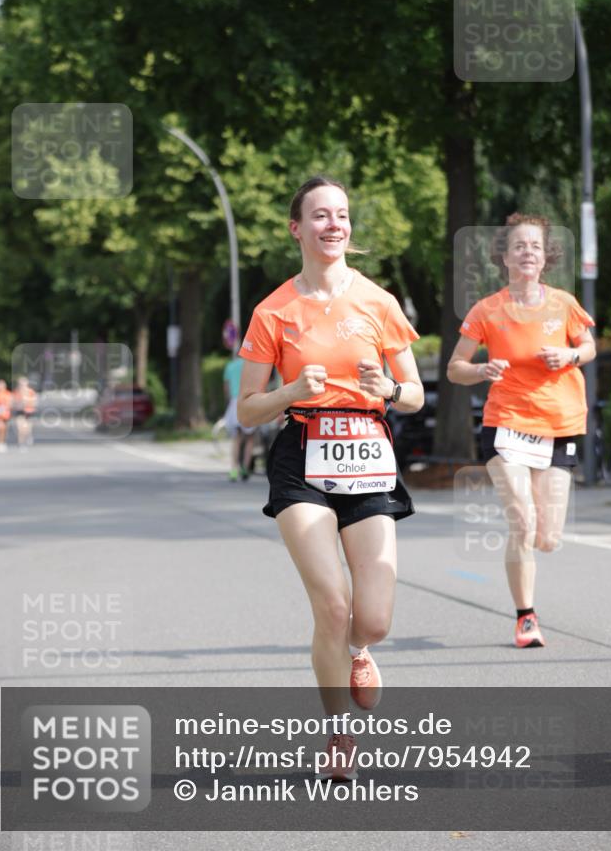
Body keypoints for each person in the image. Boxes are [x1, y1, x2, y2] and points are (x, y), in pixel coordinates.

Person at [238, 175, 424, 778]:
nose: (333, 224)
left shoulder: (378, 301)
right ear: (297, 228)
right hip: (302, 455)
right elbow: (247, 409)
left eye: (341, 214)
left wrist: (388, 389)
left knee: (372, 619)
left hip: (368, 453)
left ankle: (360, 650)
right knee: (331, 604)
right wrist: (291, 390)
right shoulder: (273, 310)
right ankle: (339, 733)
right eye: (320, 215)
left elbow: (415, 393)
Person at [447, 213, 596, 648]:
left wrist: (569, 356)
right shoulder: (487, 309)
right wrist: (481, 369)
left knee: (547, 538)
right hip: (506, 422)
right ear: (505, 257)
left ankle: (532, 549)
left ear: (545, 257)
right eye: (519, 246)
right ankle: (526, 618)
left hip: (559, 424)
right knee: (523, 522)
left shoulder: (564, 304)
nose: (527, 252)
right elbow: (455, 368)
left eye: (535, 246)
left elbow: (589, 346)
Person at [222, 354, 256, 481]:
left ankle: (233, 469)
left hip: (235, 403)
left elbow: (226, 388)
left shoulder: (230, 366)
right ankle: (245, 468)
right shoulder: (252, 365)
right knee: (250, 438)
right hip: (249, 400)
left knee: (236, 438)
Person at [12, 376, 38, 450]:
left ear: (27, 384)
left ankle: (28, 437)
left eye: (24, 384)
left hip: (29, 412)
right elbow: (13, 403)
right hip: (20, 412)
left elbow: (35, 402)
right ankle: (21, 444)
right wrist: (18, 404)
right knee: (20, 429)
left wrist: (27, 402)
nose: (22, 385)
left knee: (27, 429)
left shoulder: (31, 392)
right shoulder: (16, 392)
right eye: (20, 384)